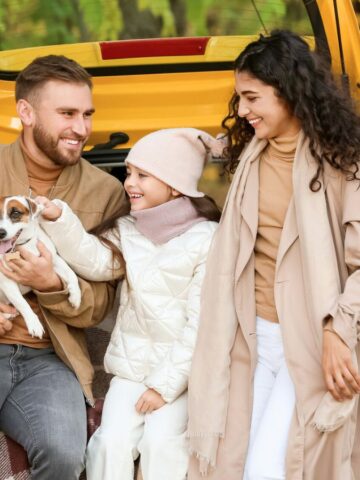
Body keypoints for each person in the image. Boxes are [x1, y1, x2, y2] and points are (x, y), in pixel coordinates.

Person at [187, 30, 360, 480]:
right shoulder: (251, 156)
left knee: (269, 468)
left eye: (251, 97)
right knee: (230, 465)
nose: (241, 110)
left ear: (289, 92)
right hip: (251, 338)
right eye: (238, 98)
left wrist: (339, 332)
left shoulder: (344, 161)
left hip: (314, 340)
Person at [36, 127, 220, 480]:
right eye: (129, 172)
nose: (128, 182)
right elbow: (95, 261)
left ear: (174, 185)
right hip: (130, 370)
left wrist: (164, 386)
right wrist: (61, 220)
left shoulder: (207, 239)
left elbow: (202, 324)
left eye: (142, 175)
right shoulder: (127, 229)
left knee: (162, 445)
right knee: (108, 444)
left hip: (181, 376)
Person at [0, 55, 126, 479]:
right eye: (67, 113)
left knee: (65, 454)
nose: (82, 128)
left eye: (87, 114)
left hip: (51, 359)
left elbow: (103, 305)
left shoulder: (106, 192)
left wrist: (51, 283)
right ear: (26, 112)